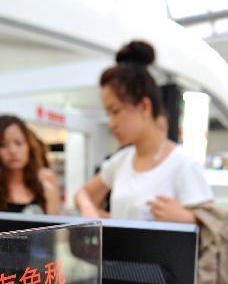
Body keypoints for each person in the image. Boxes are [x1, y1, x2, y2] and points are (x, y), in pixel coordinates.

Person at [74, 40, 213, 222]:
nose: (111, 123)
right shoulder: (122, 161)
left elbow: (211, 228)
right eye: (108, 113)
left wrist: (188, 219)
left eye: (115, 111)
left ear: (144, 107)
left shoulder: (183, 164)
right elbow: (82, 194)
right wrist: (91, 210)